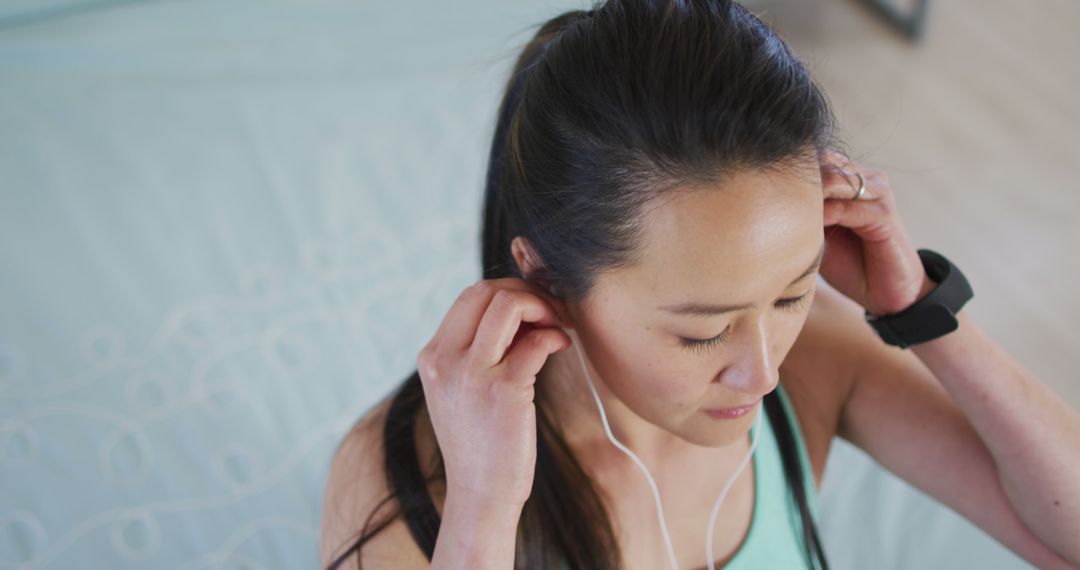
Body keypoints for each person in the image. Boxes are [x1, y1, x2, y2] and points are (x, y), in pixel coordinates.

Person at [319, 1, 1080, 568]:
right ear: (547, 276)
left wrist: (915, 308)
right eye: (701, 330)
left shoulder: (812, 361)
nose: (764, 370)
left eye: (792, 292)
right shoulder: (410, 481)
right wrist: (485, 511)